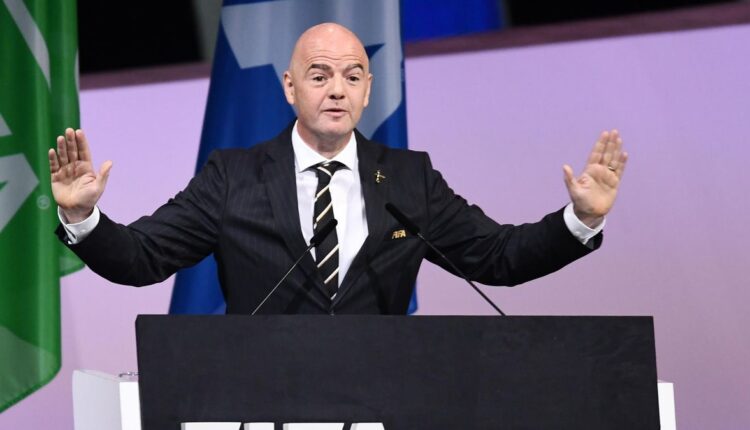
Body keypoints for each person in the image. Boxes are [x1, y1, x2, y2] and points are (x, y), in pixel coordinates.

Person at [48, 23, 628, 315]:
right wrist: (82, 217)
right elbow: (143, 258)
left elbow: (499, 257)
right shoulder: (234, 176)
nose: (337, 90)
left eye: (352, 76)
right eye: (320, 75)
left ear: (368, 90)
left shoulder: (408, 178)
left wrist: (579, 220)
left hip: (381, 400)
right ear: (290, 87)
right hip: (263, 402)